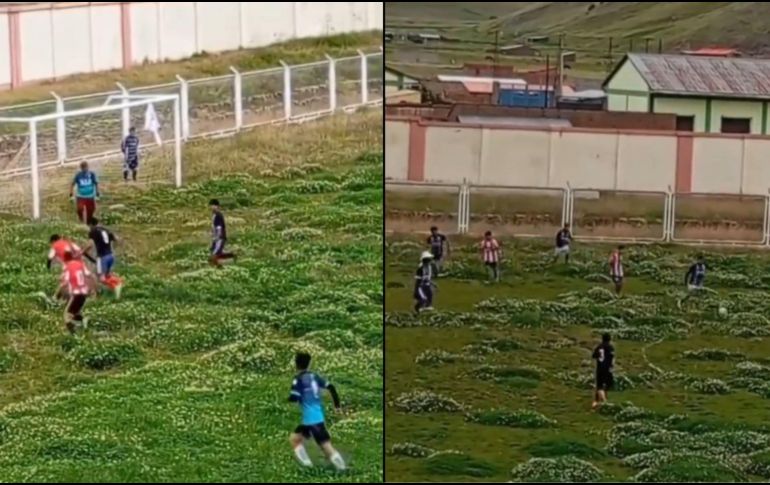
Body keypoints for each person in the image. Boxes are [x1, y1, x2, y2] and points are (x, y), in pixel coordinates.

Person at [289, 352, 345, 471]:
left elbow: (294, 397)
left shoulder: (298, 379)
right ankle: (308, 466)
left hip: (311, 420)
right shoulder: (315, 376)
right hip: (316, 417)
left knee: (326, 447)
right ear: (309, 364)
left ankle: (343, 469)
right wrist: (337, 406)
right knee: (295, 439)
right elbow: (331, 387)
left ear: (296, 364)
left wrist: (292, 398)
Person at [55, 251, 97, 334]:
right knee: (75, 312)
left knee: (66, 315)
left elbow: (64, 284)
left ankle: (73, 334)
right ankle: (83, 323)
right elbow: (90, 276)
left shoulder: (68, 267)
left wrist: (56, 295)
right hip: (84, 293)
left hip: (76, 294)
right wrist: (94, 290)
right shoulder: (80, 265)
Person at [83, 217, 123, 299]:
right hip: (110, 256)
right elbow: (117, 239)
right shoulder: (106, 230)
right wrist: (113, 248)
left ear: (90, 224)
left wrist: (82, 251)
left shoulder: (93, 231)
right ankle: (115, 293)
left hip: (102, 257)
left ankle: (117, 283)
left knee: (101, 278)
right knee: (107, 276)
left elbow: (90, 244)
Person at [209, 199, 236, 267]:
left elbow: (219, 227)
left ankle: (226, 261)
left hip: (220, 238)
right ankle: (225, 261)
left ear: (217, 206)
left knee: (215, 254)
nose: (211, 207)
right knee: (213, 251)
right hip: (216, 238)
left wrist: (217, 237)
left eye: (213, 205)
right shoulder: (214, 215)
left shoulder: (218, 215)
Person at [591, 333, 615, 410]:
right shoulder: (610, 347)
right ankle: (603, 401)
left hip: (599, 368)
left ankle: (597, 400)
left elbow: (594, 356)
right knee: (606, 385)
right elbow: (611, 357)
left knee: (599, 385)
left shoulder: (599, 347)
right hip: (607, 369)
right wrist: (611, 365)